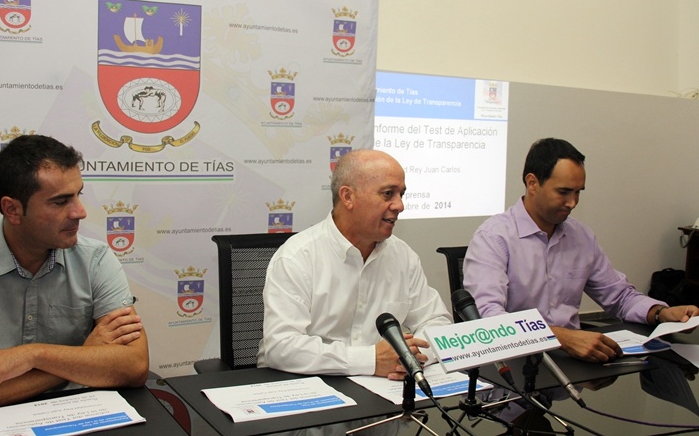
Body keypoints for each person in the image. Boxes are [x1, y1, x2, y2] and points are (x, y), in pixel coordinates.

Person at [0, 135, 149, 410]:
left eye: (78, 195)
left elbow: (135, 365)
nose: (80, 212)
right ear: (13, 210)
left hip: (73, 412)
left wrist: (33, 355)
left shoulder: (96, 259)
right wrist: (83, 357)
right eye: (60, 201)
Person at [463, 137, 699, 363]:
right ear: (532, 183)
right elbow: (489, 318)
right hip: (518, 364)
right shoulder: (493, 238)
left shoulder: (580, 237)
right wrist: (562, 337)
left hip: (574, 363)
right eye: (564, 192)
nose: (573, 203)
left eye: (578, 192)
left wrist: (660, 313)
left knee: (657, 366)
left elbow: (619, 297)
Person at [257, 149, 451, 379]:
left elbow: (436, 321)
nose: (400, 205)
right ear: (348, 197)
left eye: (401, 194)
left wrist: (411, 358)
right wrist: (370, 360)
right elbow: (281, 347)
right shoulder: (297, 257)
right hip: (307, 386)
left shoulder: (403, 256)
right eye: (388, 194)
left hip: (384, 386)